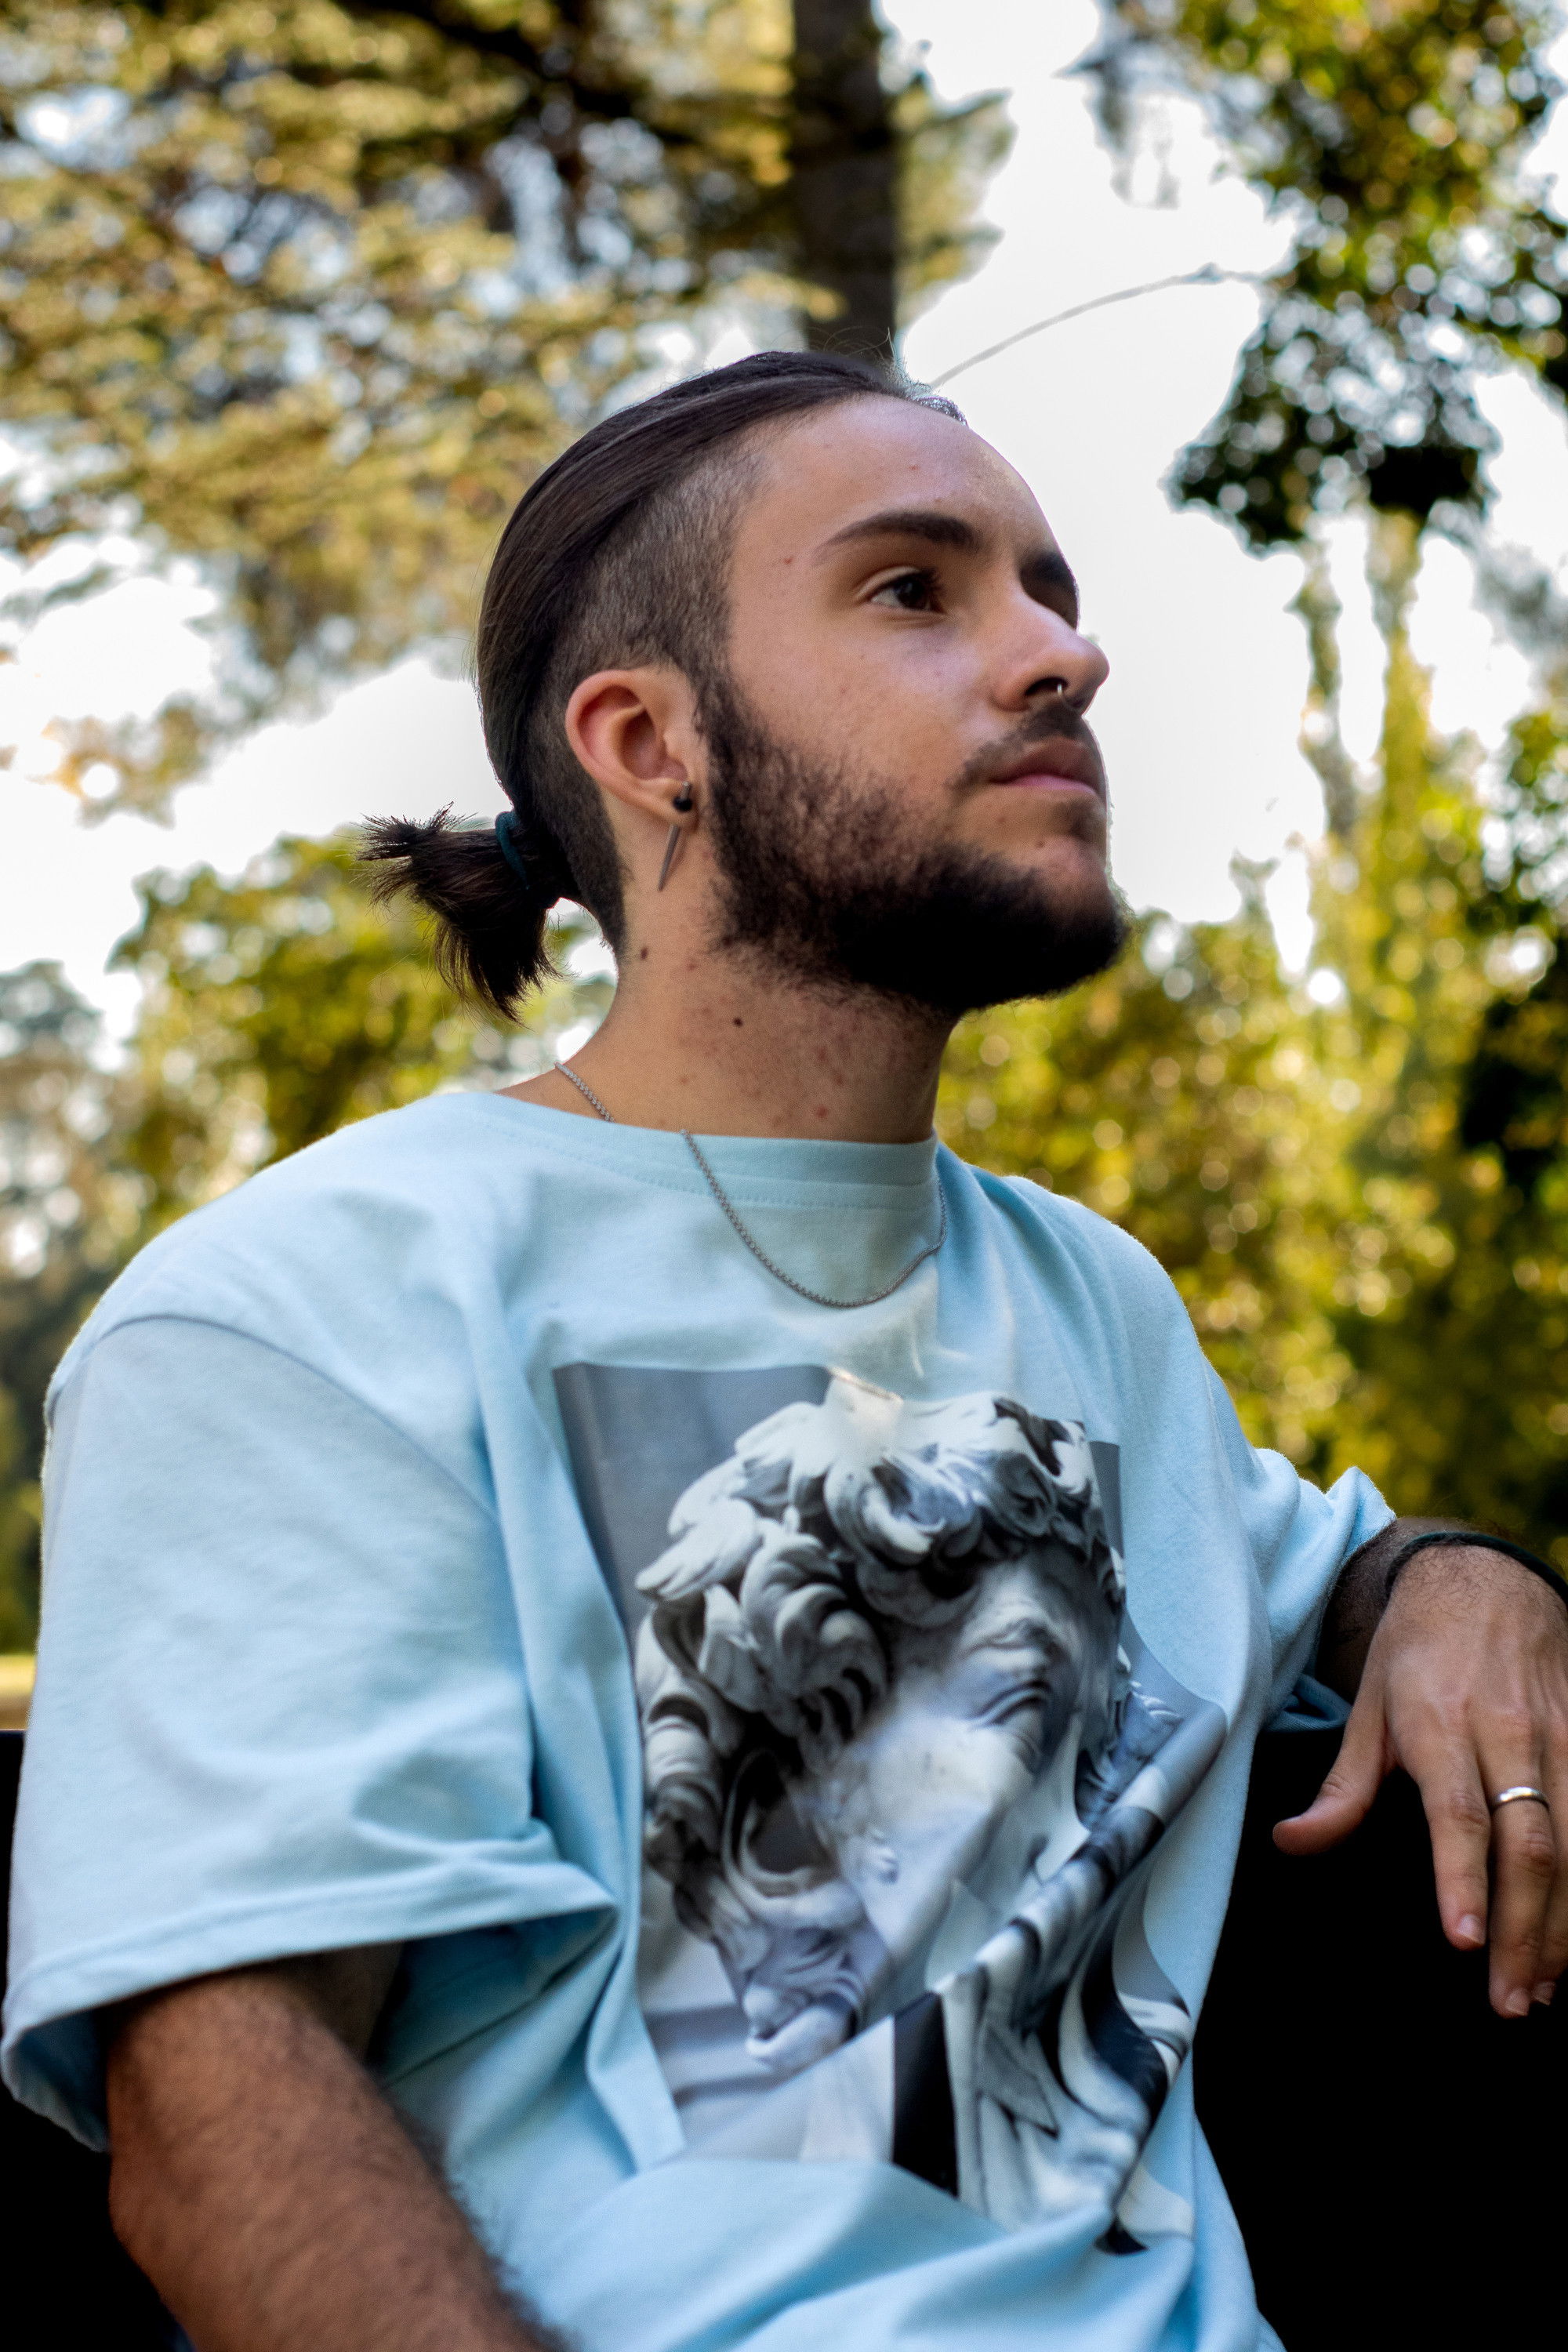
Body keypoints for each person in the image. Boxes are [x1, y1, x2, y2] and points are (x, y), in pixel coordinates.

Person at [5, 349, 1567, 2352]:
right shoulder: (316, 1303)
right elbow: (223, 2116)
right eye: (915, 589)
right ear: (652, 743)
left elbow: (1319, 1565)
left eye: (1051, 592)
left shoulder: (1096, 1305)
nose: (1065, 657)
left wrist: (1457, 1581)